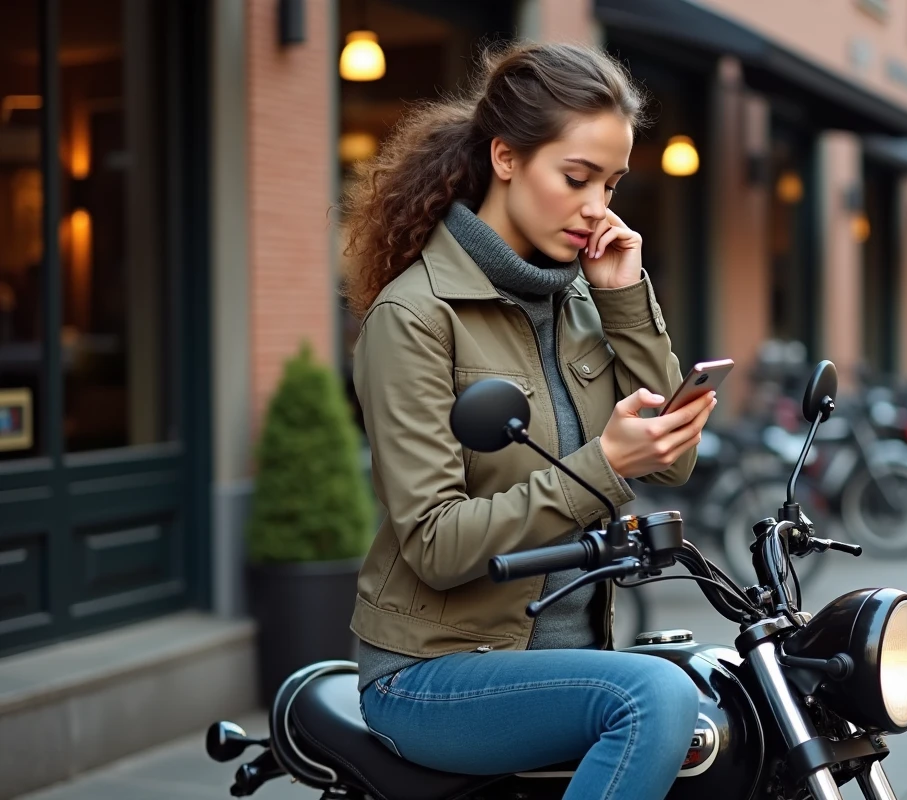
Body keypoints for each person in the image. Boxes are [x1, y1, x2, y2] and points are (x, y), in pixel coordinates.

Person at [341, 40, 717, 800]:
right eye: (576, 178)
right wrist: (604, 466)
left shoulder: (580, 299)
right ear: (506, 157)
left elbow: (673, 460)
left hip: (563, 660)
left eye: (610, 184)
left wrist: (625, 299)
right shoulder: (415, 316)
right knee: (657, 697)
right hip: (433, 671)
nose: (597, 207)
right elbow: (436, 544)